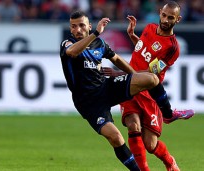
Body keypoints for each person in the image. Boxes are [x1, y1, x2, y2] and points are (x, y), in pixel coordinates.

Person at [60, 10, 178, 171]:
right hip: (88, 102)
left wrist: (133, 76)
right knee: (116, 137)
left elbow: (116, 58)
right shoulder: (68, 43)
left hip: (105, 87)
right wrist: (96, 33)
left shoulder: (99, 44)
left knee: (151, 79)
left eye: (81, 25)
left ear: (88, 25)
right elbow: (73, 52)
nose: (77, 30)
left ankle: (168, 113)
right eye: (73, 27)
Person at [114, 1, 193, 171]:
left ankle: (169, 161)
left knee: (150, 145)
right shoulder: (149, 27)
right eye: (164, 15)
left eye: (170, 17)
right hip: (130, 87)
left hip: (149, 92)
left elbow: (151, 71)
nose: (165, 20)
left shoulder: (172, 47)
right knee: (132, 125)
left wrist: (124, 73)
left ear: (177, 19)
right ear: (159, 12)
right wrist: (132, 35)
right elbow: (143, 50)